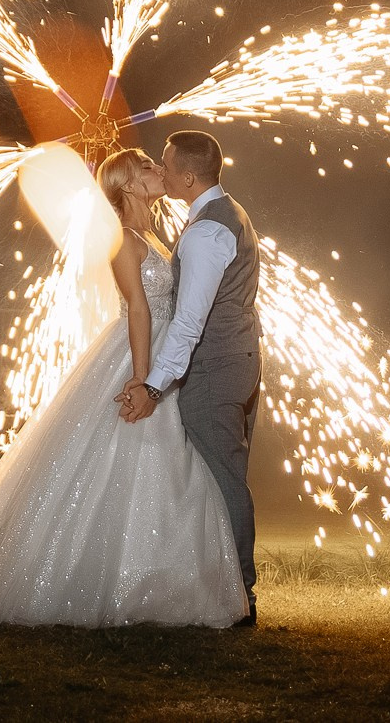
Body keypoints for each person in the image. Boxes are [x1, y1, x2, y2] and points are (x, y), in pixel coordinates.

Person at [0, 146, 248, 627]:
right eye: (147, 168)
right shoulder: (122, 239)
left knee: (168, 463)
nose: (159, 171)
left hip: (164, 354)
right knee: (140, 457)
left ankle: (158, 573)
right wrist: (141, 377)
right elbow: (138, 306)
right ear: (129, 186)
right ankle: (115, 577)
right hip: (143, 353)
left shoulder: (154, 236)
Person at [119, 128, 262, 627]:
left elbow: (189, 320)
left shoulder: (205, 231)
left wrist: (154, 385)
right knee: (217, 477)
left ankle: (241, 594)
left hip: (214, 368)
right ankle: (221, 584)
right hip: (237, 359)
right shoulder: (227, 215)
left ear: (186, 176)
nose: (159, 167)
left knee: (223, 481)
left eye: (165, 162)